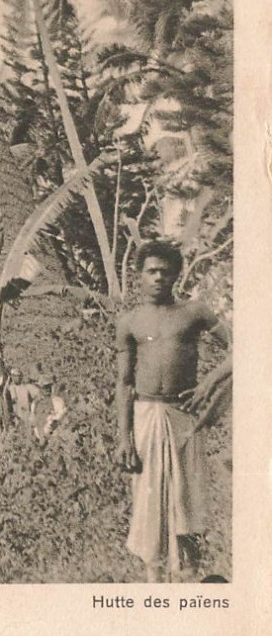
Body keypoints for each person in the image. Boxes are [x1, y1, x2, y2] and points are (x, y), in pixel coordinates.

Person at [116, 240, 230, 583]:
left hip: (184, 417)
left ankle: (191, 576)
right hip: (145, 416)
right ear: (139, 275)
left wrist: (210, 381)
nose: (158, 278)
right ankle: (154, 580)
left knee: (189, 496)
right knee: (148, 503)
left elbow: (243, 346)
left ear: (176, 276)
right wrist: (124, 438)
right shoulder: (130, 321)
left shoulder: (194, 313)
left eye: (165, 272)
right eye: (151, 271)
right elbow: (124, 383)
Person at [31, 376, 66, 442]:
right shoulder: (35, 403)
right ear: (40, 389)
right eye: (44, 388)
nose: (47, 390)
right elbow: (33, 419)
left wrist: (52, 420)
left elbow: (61, 416)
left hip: (53, 436)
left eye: (48, 387)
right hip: (39, 436)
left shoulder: (57, 401)